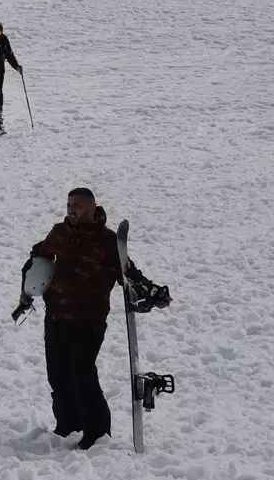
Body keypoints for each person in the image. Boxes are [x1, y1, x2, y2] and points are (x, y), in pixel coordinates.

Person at [18, 188, 167, 450]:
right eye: (68, 205)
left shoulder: (107, 241)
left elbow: (129, 275)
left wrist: (153, 293)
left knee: (82, 374)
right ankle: (68, 424)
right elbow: (38, 255)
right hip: (57, 316)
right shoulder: (60, 233)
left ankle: (97, 432)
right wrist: (27, 290)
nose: (71, 210)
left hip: (89, 320)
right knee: (58, 375)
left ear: (92, 207)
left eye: (77, 205)